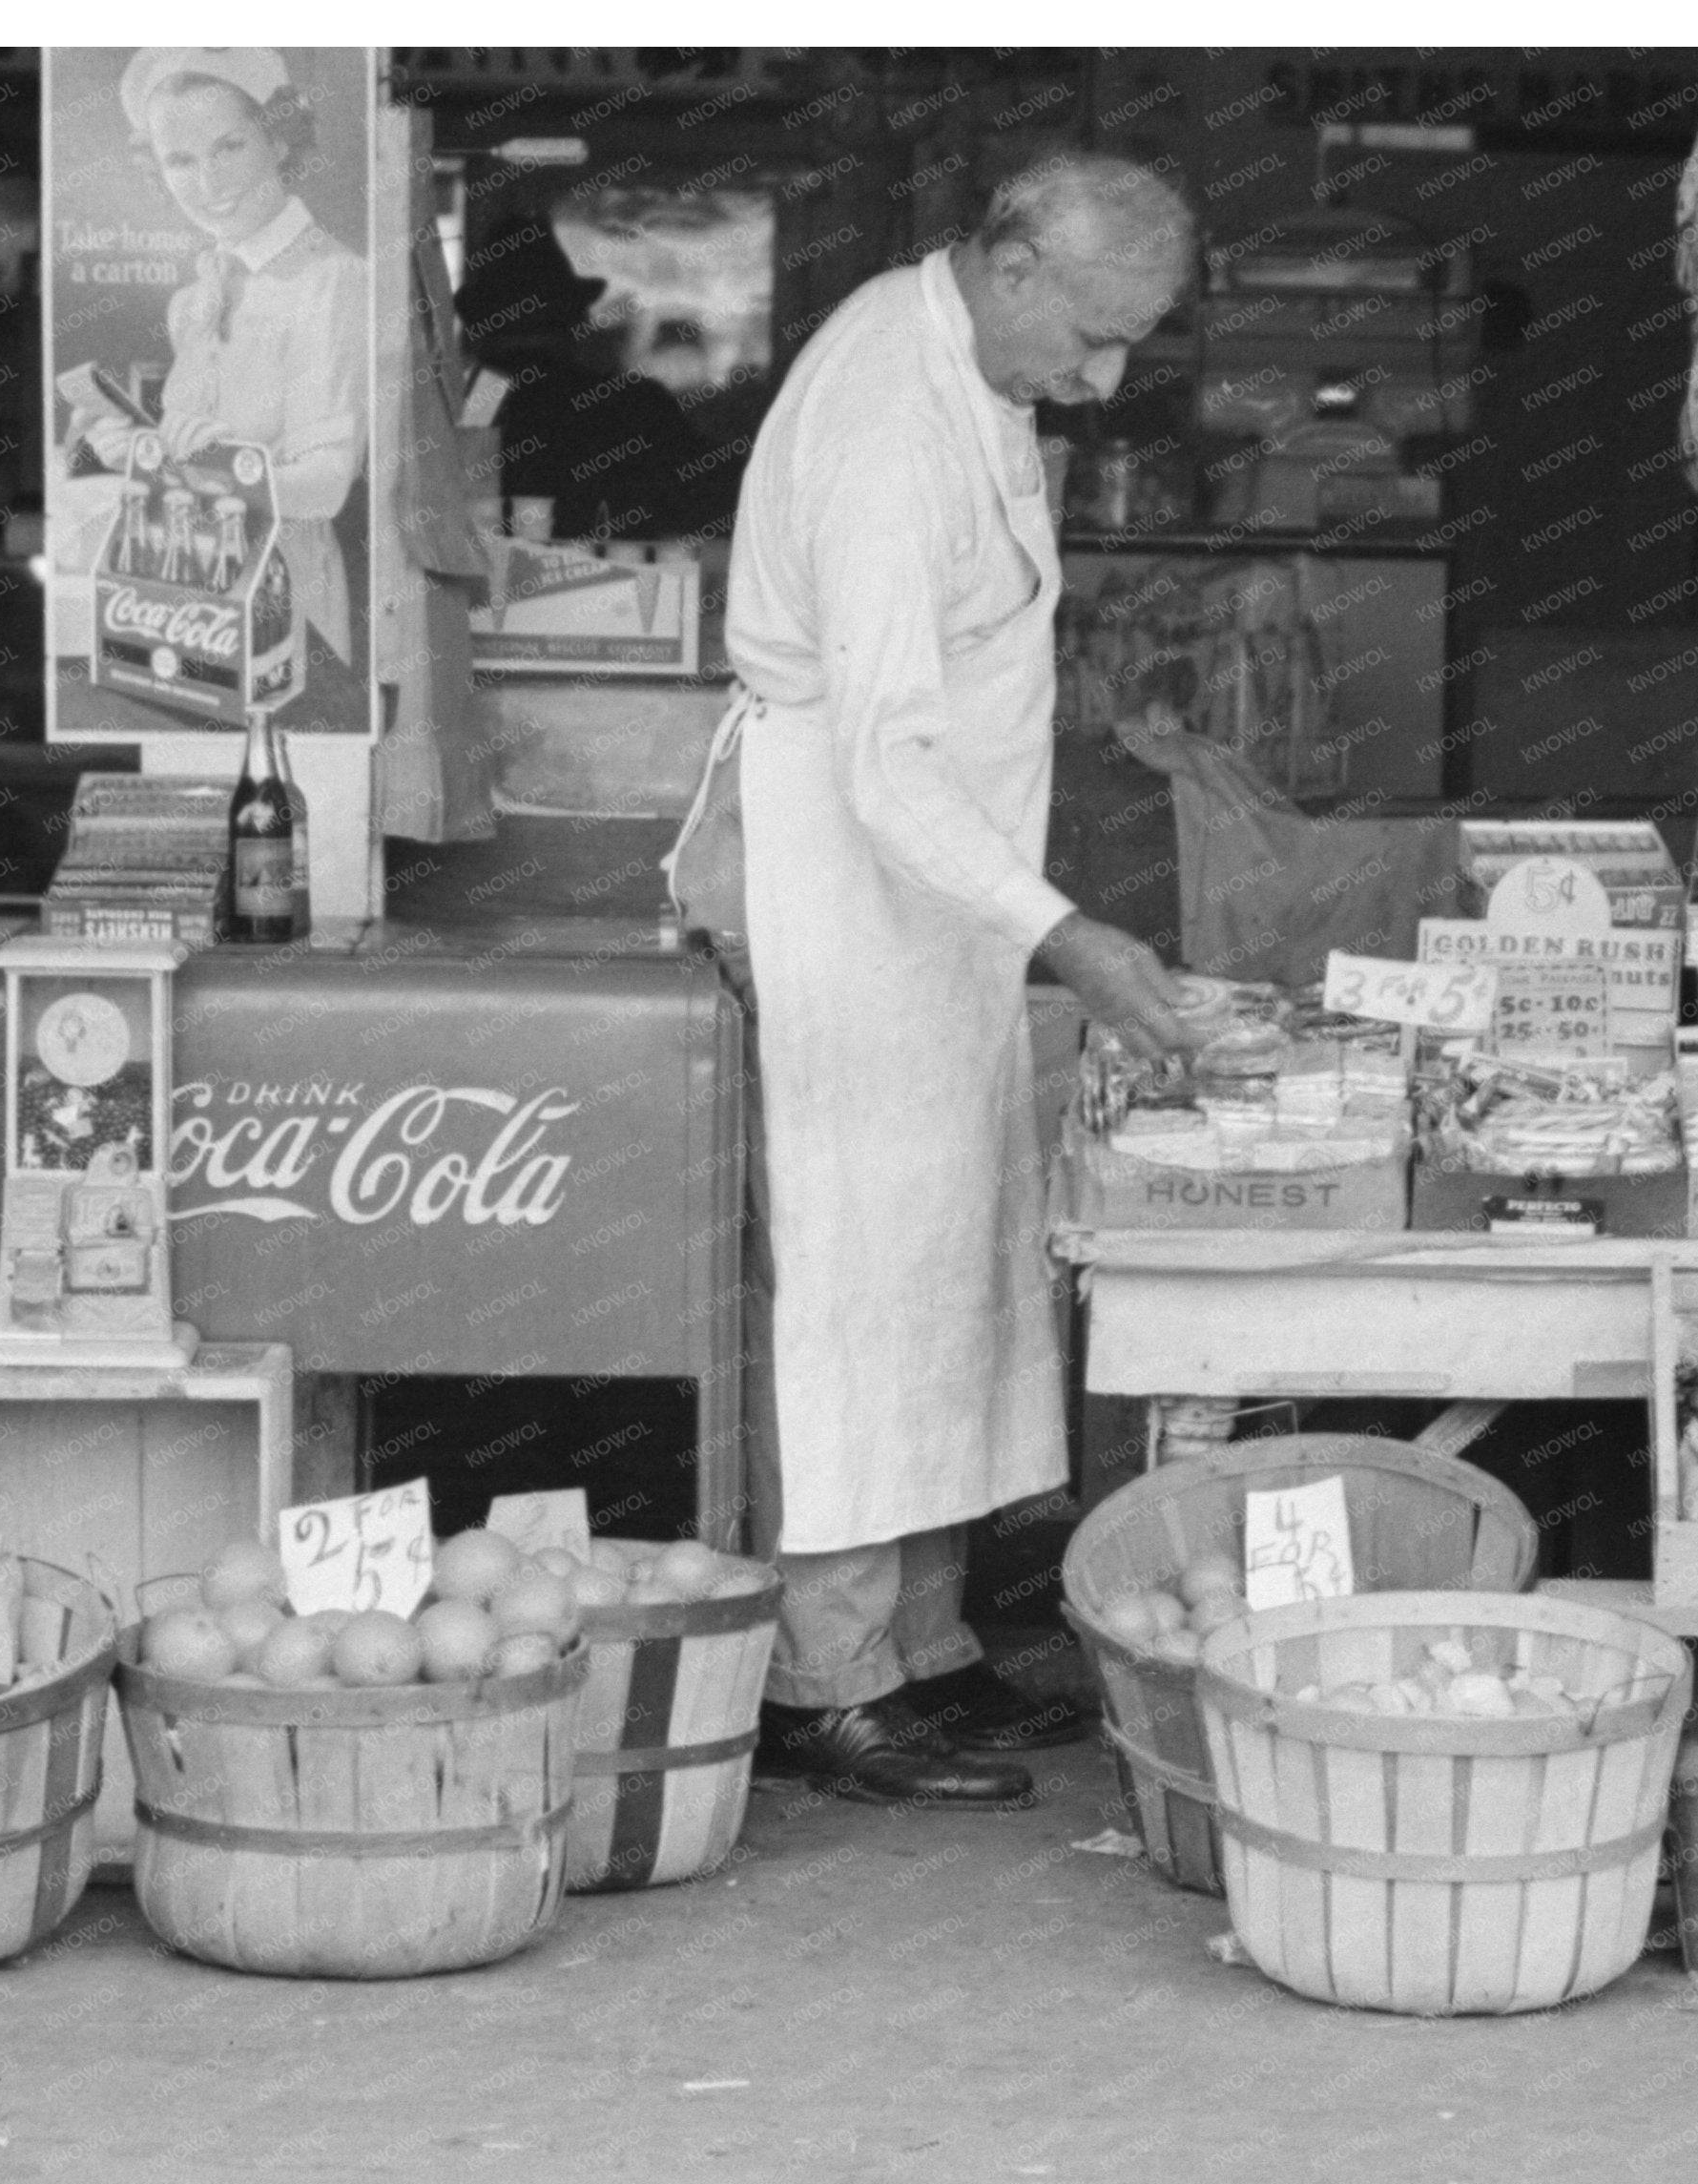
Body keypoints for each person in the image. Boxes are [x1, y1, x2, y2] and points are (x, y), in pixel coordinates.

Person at [668, 156, 1214, 1808]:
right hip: (848, 876)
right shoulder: (885, 424)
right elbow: (886, 765)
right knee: (856, 1270)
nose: (1106, 382)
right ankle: (821, 1682)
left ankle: (925, 1649)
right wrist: (1068, 934)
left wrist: (1019, 923)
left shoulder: (966, 362)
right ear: (1015, 263)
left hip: (949, 898)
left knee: (956, 1253)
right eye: (1097, 337)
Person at [73, 48, 366, 715]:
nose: (208, 182)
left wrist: (204, 460)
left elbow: (323, 486)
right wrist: (141, 453)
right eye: (180, 160)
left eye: (229, 146)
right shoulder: (195, 299)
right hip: (187, 602)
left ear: (280, 139)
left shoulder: (335, 283)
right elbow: (196, 451)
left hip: (285, 608)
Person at [453, 216, 725, 541]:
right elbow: (713, 501)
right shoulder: (636, 408)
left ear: (478, 329)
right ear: (577, 320)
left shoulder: (460, 415)